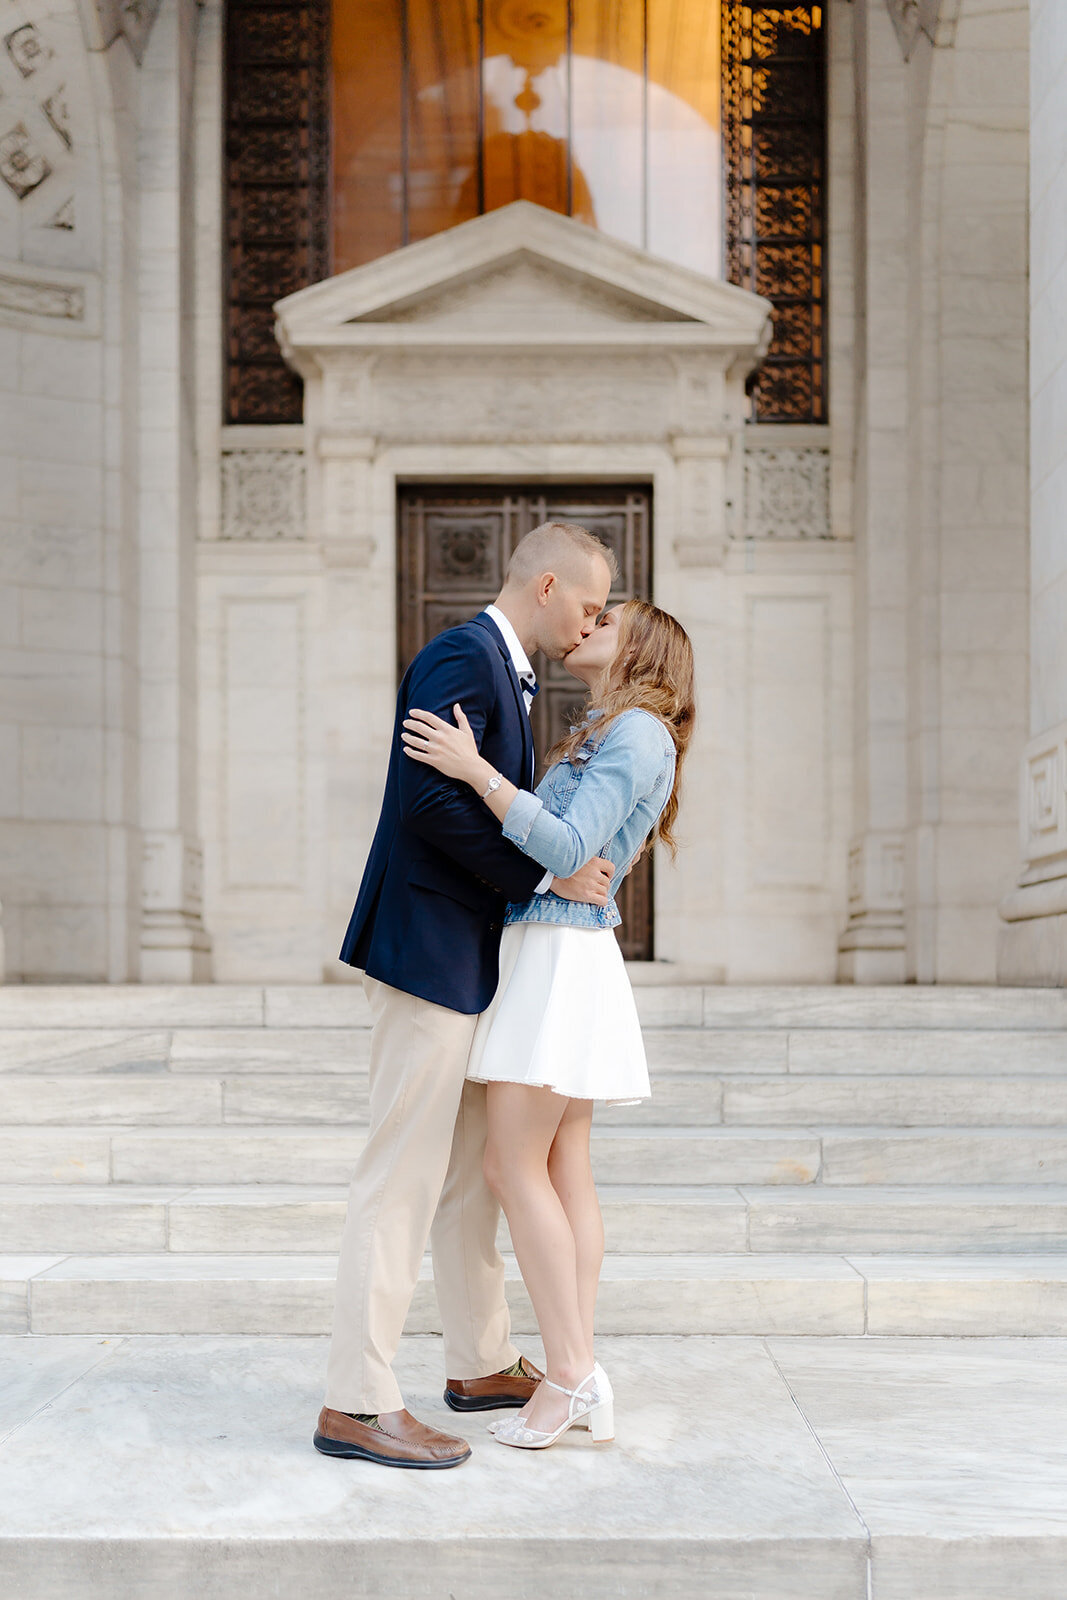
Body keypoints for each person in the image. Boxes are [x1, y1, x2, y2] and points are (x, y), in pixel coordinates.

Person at [313, 521, 618, 1470]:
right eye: (589, 604)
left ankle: (479, 1363)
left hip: (474, 968)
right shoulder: (459, 652)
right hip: (427, 957)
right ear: (547, 585)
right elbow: (429, 802)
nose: (592, 622)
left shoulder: (511, 674)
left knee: (468, 1177)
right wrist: (545, 880)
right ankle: (356, 1403)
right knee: (399, 1176)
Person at [401, 596, 695, 1449]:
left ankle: (568, 1372)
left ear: (644, 648)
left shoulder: (638, 734)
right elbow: (563, 857)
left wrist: (471, 768)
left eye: (611, 616)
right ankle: (578, 1370)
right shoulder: (605, 730)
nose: (589, 620)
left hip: (560, 961)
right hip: (554, 952)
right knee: (562, 1165)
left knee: (510, 1162)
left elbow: (567, 850)